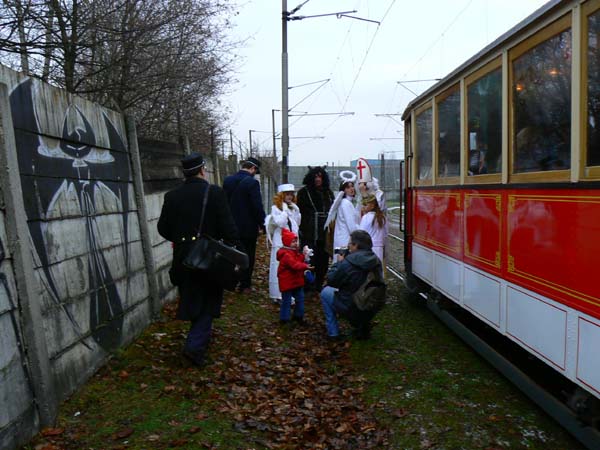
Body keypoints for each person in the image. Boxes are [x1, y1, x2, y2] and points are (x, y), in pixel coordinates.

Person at [157, 153, 239, 367]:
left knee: (192, 297)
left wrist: (182, 240)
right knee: (209, 301)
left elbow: (162, 228)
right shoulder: (215, 193)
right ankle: (194, 347)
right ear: (203, 170)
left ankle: (198, 339)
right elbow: (229, 228)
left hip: (184, 257)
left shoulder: (172, 196)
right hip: (210, 254)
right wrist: (228, 247)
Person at [320, 230, 383, 340]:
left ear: (356, 245)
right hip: (371, 304)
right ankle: (363, 328)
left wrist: (339, 263)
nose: (348, 246)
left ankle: (333, 333)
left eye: (350, 244)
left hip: (352, 305)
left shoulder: (348, 263)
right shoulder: (376, 260)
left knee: (325, 292)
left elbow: (332, 280)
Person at [223, 157, 266, 294]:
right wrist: (262, 224)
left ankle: (230, 281)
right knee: (248, 255)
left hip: (230, 226)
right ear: (253, 169)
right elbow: (257, 207)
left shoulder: (227, 181)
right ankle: (245, 284)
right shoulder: (252, 183)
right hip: (248, 228)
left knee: (231, 254)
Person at [296, 166, 334, 292]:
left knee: (323, 260)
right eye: (315, 176)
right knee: (309, 258)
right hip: (309, 233)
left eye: (320, 176)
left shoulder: (328, 193)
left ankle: (318, 283)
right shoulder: (303, 193)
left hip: (324, 233)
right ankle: (308, 284)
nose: (318, 179)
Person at [265, 183, 302, 302]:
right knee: (279, 267)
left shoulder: (291, 207)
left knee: (291, 268)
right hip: (280, 242)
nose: (290, 197)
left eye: (291, 194)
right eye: (287, 194)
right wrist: (285, 211)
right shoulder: (275, 208)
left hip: (291, 242)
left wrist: (296, 210)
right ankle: (277, 294)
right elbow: (280, 222)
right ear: (282, 195)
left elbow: (297, 223)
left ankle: (289, 293)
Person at [277, 229, 313, 324]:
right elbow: (294, 265)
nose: (295, 243)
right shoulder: (286, 255)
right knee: (287, 301)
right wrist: (305, 266)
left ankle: (298, 316)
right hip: (287, 282)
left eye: (296, 241)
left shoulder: (295, 252)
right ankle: (284, 319)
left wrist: (305, 256)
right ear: (287, 242)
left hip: (297, 281)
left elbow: (299, 259)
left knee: (300, 299)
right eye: (293, 241)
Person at [324, 171, 360, 261]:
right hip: (345, 240)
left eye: (352, 186)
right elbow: (351, 226)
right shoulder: (346, 204)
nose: (351, 189)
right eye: (348, 187)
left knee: (339, 263)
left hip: (341, 239)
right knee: (344, 265)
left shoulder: (345, 203)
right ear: (343, 190)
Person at [359, 194, 387, 264]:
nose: (363, 207)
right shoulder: (383, 218)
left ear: (372, 206)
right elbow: (385, 235)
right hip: (379, 248)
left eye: (365, 205)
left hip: (368, 249)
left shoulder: (366, 218)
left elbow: (361, 234)